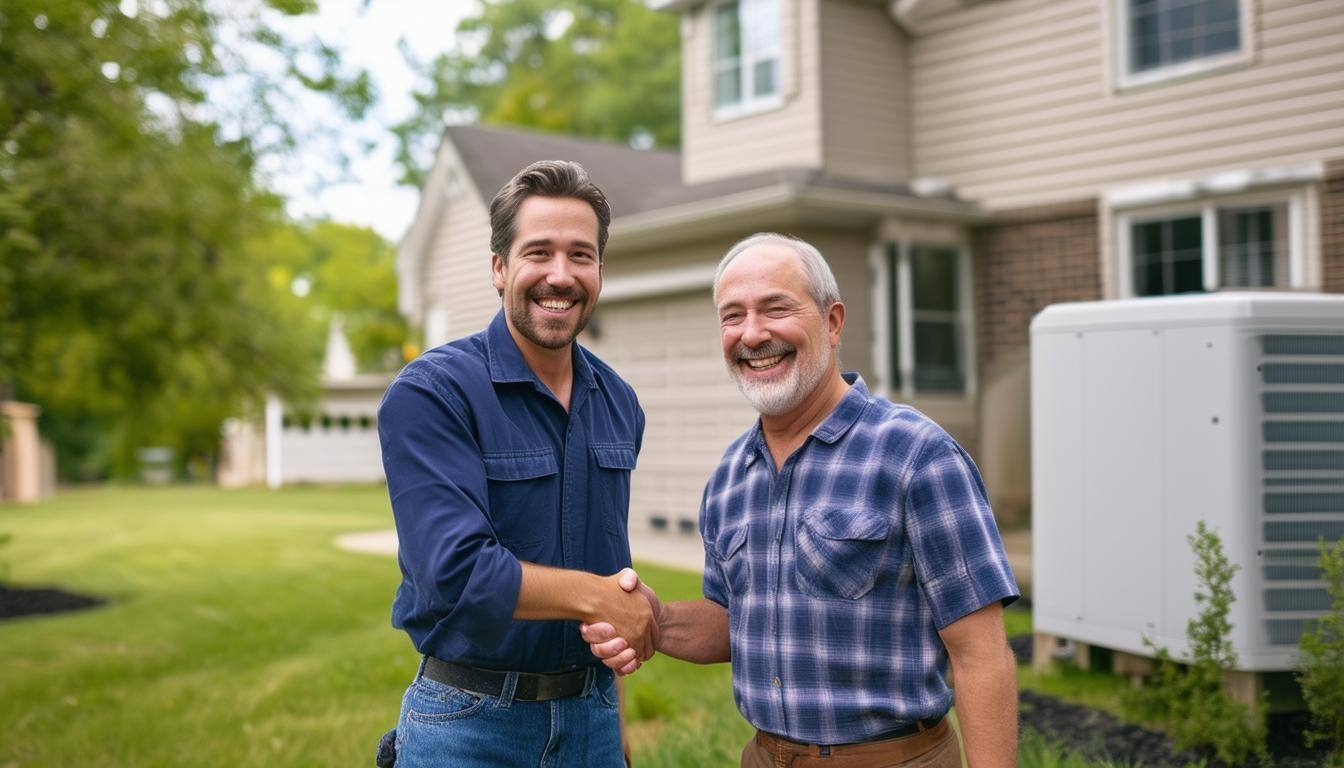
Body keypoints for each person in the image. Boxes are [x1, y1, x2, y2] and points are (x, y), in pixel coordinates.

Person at [584, 233, 1021, 767]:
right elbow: (733, 619)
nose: (753, 333)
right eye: (732, 316)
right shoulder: (730, 476)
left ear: (833, 321)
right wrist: (653, 619)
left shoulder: (915, 454)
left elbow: (982, 656)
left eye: (776, 308)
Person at [375, 160, 659, 768]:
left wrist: (617, 728)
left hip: (593, 721)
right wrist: (597, 597)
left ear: (600, 272)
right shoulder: (434, 392)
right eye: (539, 252)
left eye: (581, 255)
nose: (561, 275)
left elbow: (610, 582)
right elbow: (455, 574)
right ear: (500, 267)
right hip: (469, 724)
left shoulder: (619, 404)